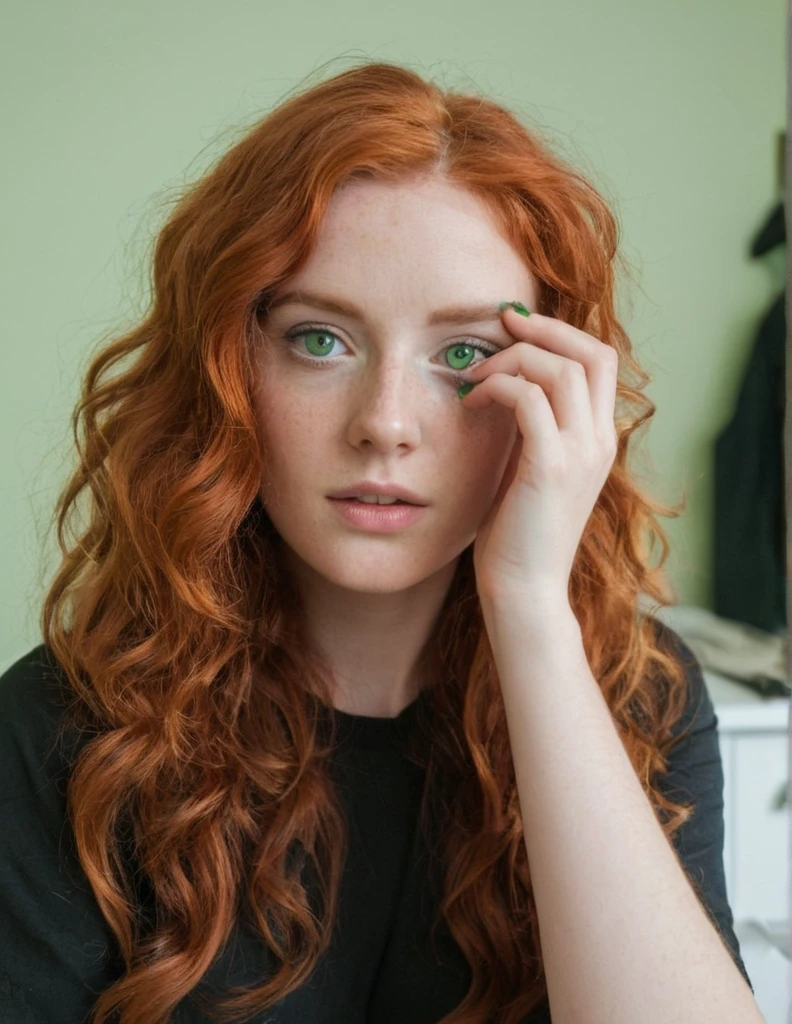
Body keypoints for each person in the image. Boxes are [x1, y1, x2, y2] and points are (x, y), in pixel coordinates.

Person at [0, 60, 759, 1024]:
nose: (387, 423)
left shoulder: (639, 696)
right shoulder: (61, 730)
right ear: (226, 371)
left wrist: (529, 608)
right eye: (321, 340)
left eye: (467, 355)